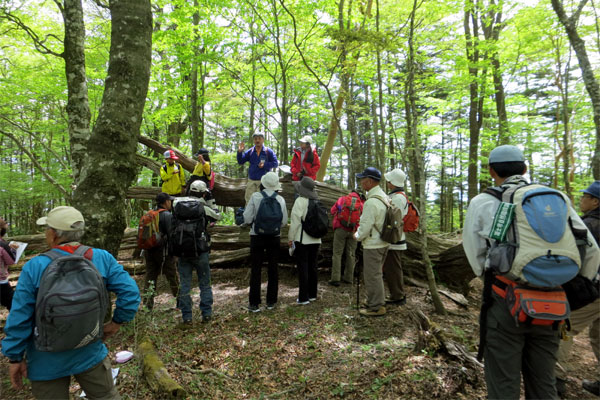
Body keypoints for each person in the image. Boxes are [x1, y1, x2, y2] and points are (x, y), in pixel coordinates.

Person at [462, 145, 600, 400]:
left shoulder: (482, 202)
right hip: (553, 303)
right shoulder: (555, 198)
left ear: (491, 171)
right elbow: (590, 248)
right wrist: (574, 286)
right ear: (525, 169)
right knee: (544, 382)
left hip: (505, 300)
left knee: (504, 382)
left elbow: (475, 254)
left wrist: (493, 281)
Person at [2, 206, 140, 399]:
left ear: (53, 234)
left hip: (45, 359)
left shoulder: (35, 267)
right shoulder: (101, 258)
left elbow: (20, 316)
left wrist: (15, 356)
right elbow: (130, 293)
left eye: (46, 229)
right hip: (90, 349)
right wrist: (116, 323)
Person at [555, 180, 600, 397]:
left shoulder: (588, 226)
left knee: (564, 326)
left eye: (585, 196)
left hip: (595, 290)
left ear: (595, 201)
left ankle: (556, 380)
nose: (581, 199)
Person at [173, 180, 221, 324]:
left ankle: (186, 316)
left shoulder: (177, 205)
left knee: (185, 284)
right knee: (205, 283)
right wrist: (211, 200)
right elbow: (217, 216)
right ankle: (206, 313)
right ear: (204, 193)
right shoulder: (203, 208)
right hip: (201, 250)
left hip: (182, 250)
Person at [243, 172, 287, 312]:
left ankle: (254, 303)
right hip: (274, 237)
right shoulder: (280, 199)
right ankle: (271, 301)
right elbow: (284, 221)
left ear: (263, 183)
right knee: (273, 269)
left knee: (256, 269)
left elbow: (247, 218)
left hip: (257, 236)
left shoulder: (255, 197)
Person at [354, 167, 389, 317]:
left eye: (363, 179)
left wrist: (357, 236)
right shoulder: (384, 197)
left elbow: (366, 225)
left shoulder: (371, 202)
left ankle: (376, 307)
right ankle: (374, 300)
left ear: (369, 181)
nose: (361, 182)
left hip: (373, 244)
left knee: (372, 275)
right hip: (384, 241)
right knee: (376, 274)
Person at [142, 192, 179, 310]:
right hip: (164, 252)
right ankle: (181, 301)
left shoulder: (149, 214)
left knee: (150, 277)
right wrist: (175, 253)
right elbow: (172, 234)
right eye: (169, 201)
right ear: (165, 202)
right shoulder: (167, 215)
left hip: (149, 250)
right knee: (172, 276)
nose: (171, 203)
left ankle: (147, 305)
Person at [288, 177, 322, 304]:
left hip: (303, 240)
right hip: (316, 239)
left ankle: (303, 297)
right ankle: (313, 294)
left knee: (303, 268)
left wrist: (291, 238)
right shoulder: (317, 201)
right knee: (313, 267)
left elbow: (295, 222)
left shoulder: (300, 201)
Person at [382, 168, 409, 305]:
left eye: (389, 181)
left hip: (395, 238)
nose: (387, 183)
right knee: (391, 267)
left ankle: (397, 295)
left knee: (393, 268)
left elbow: (394, 219)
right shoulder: (396, 196)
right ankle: (396, 294)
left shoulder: (398, 198)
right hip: (394, 237)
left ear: (393, 182)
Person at [329, 190, 363, 286]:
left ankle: (335, 278)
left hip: (340, 229)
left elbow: (332, 211)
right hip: (353, 231)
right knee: (351, 254)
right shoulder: (360, 204)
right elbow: (362, 218)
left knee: (337, 254)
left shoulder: (342, 199)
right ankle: (349, 278)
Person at [237, 132, 278, 204]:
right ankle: (249, 215)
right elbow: (241, 161)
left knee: (262, 202)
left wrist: (265, 165)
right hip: (251, 181)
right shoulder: (250, 151)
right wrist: (240, 152)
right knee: (249, 201)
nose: (257, 140)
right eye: (255, 139)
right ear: (253, 140)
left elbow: (275, 164)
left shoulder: (268, 151)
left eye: (259, 138)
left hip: (264, 182)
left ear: (263, 140)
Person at [0, 218, 17, 310]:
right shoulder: (3, 245)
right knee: (13, 304)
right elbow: (11, 262)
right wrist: (14, 251)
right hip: (1, 283)